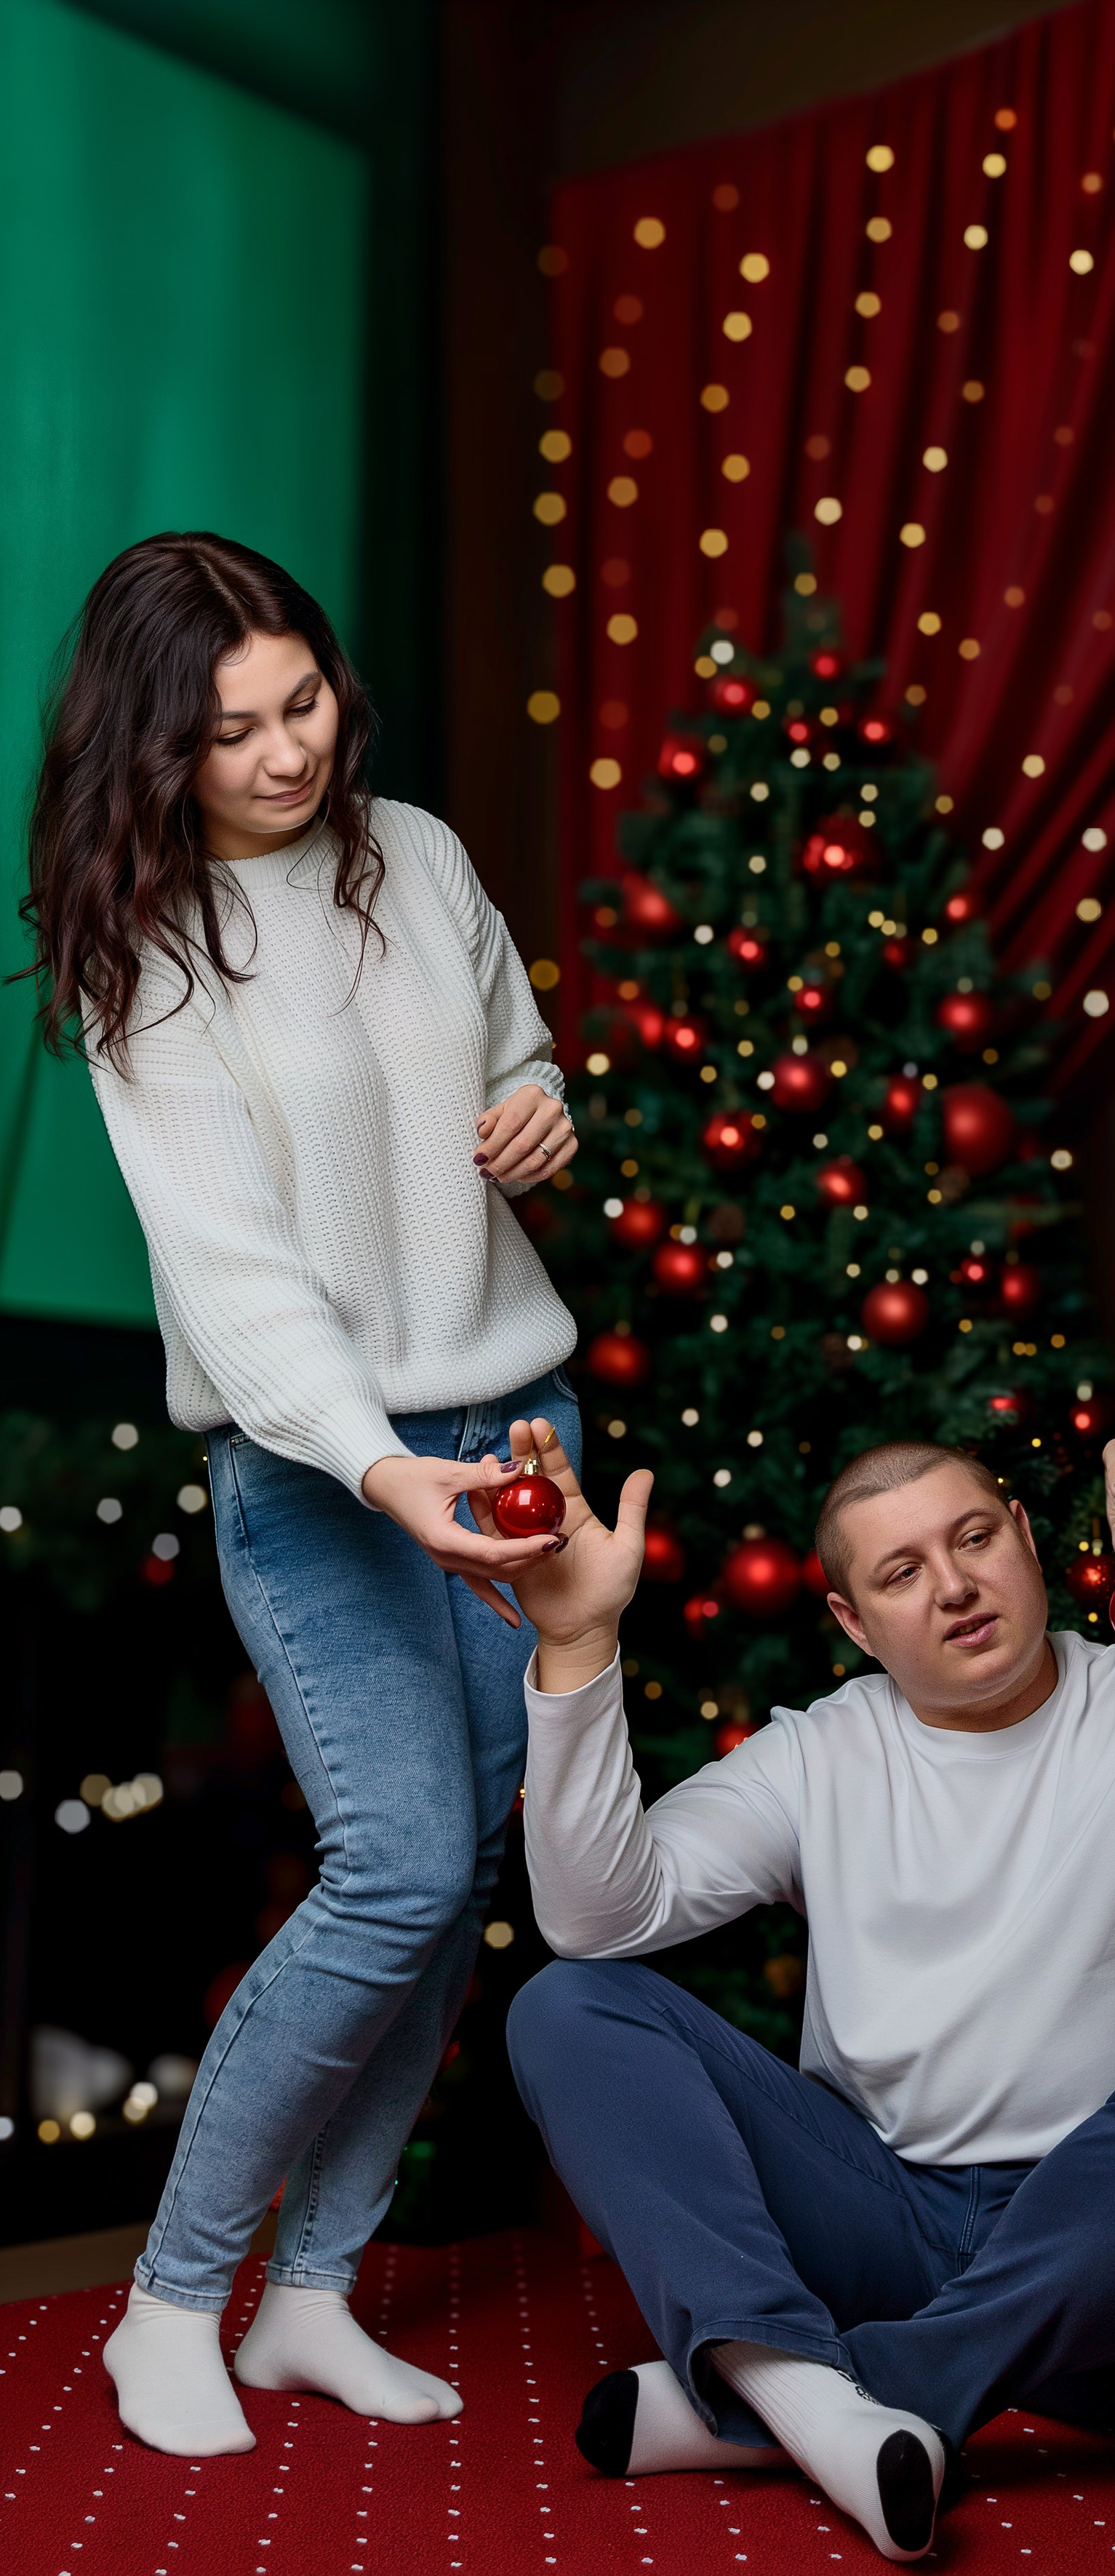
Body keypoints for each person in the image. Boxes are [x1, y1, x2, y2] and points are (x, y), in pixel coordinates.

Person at [24, 532, 583, 2458]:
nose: (285, 755)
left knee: (458, 1888)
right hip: (315, 1459)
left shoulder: (416, 853)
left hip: (516, 1422)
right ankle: (178, 2299)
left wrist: (542, 1108)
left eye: (305, 704)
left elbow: (512, 1063)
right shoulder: (141, 956)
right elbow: (240, 1278)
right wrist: (378, 1471)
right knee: (400, 1863)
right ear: (155, 750)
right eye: (233, 730)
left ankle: (317, 2294)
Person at [493, 1421, 1115, 2564]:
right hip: (889, 2228)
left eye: (973, 1539)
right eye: (902, 1574)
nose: (955, 1586)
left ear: (1026, 1539)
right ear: (854, 1625)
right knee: (566, 2007)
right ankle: (823, 2387)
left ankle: (801, 2400)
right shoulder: (819, 1754)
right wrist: (578, 1637)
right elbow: (598, 1916)